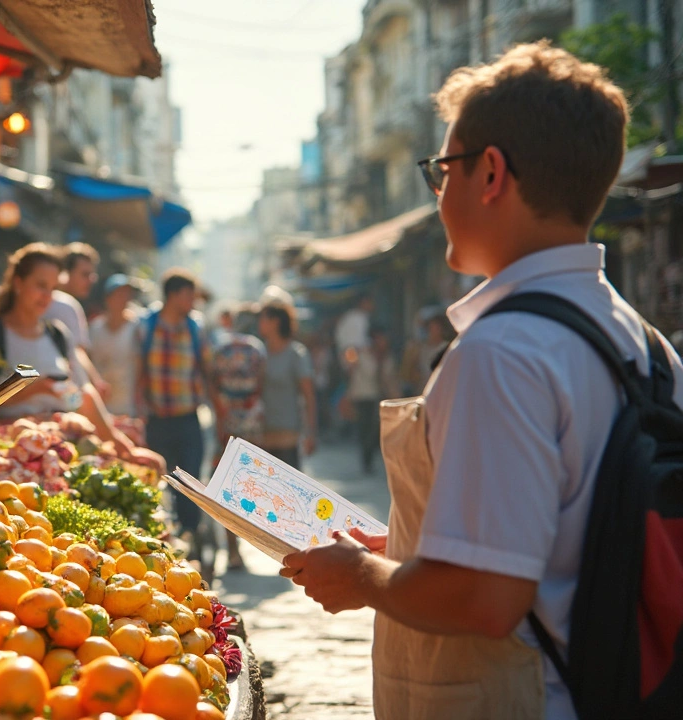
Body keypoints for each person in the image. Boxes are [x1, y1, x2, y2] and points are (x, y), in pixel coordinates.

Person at [281, 42, 683, 719]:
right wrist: (414, 546)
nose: (439, 194)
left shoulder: (502, 352)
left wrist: (365, 578)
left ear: (489, 173)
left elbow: (484, 597)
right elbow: (558, 533)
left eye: (443, 170)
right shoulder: (644, 342)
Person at [0, 243, 163, 473]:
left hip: (58, 453)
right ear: (18, 283)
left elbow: (80, 396)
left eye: (52, 288)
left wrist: (123, 446)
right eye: (41, 285)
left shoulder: (57, 335)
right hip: (6, 458)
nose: (47, 297)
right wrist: (37, 388)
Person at [137, 268, 220, 550]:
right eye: (188, 296)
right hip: (157, 420)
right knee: (162, 483)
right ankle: (168, 540)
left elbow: (208, 372)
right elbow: (139, 370)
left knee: (190, 482)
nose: (192, 302)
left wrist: (219, 411)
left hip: (188, 420)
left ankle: (192, 537)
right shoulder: (146, 325)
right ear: (173, 296)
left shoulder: (196, 328)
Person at [209, 304, 266, 572]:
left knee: (226, 485)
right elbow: (262, 387)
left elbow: (212, 384)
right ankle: (245, 544)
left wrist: (220, 415)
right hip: (252, 424)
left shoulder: (220, 350)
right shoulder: (257, 349)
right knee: (250, 486)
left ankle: (233, 551)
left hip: (226, 423)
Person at [257, 299, 317, 470]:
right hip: (262, 435)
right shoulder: (260, 353)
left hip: (288, 434)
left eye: (263, 319)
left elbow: (309, 396)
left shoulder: (296, 354)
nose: (259, 323)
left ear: (275, 322)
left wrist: (311, 433)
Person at [44, 242, 110, 397]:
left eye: (92, 275)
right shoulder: (66, 306)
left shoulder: (50, 303)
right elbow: (77, 352)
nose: (92, 280)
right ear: (65, 273)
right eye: (85, 274)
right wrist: (95, 384)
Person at [89, 273, 146, 418]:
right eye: (119, 294)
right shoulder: (95, 328)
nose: (124, 299)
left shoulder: (136, 328)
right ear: (108, 298)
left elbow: (141, 367)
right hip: (101, 405)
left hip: (127, 406)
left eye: (127, 295)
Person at [346, 326, 398, 474]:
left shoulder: (386, 357)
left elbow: (389, 377)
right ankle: (366, 460)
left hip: (378, 396)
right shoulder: (362, 354)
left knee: (374, 429)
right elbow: (355, 372)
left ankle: (369, 458)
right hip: (362, 396)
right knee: (365, 429)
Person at [399, 310, 455, 395]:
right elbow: (408, 374)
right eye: (431, 327)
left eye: (436, 327)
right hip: (421, 393)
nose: (433, 330)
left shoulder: (448, 348)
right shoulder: (418, 349)